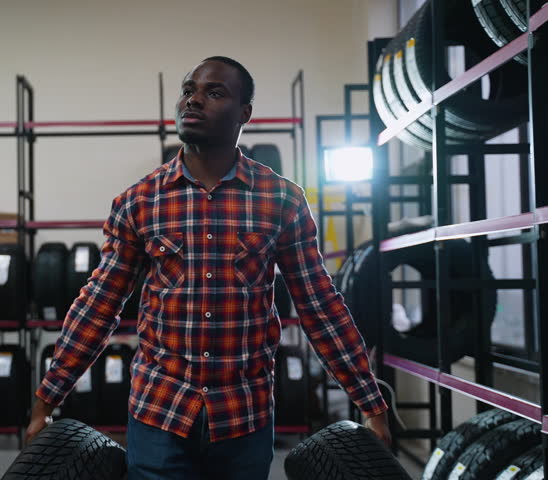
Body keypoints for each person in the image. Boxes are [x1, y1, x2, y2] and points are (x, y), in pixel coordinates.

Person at [26, 56, 391, 479]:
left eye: (214, 92)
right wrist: (46, 401)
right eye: (188, 90)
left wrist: (371, 404)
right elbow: (99, 305)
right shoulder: (139, 202)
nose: (193, 100)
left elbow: (320, 307)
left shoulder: (282, 200)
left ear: (245, 114)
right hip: (158, 413)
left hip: (243, 418)